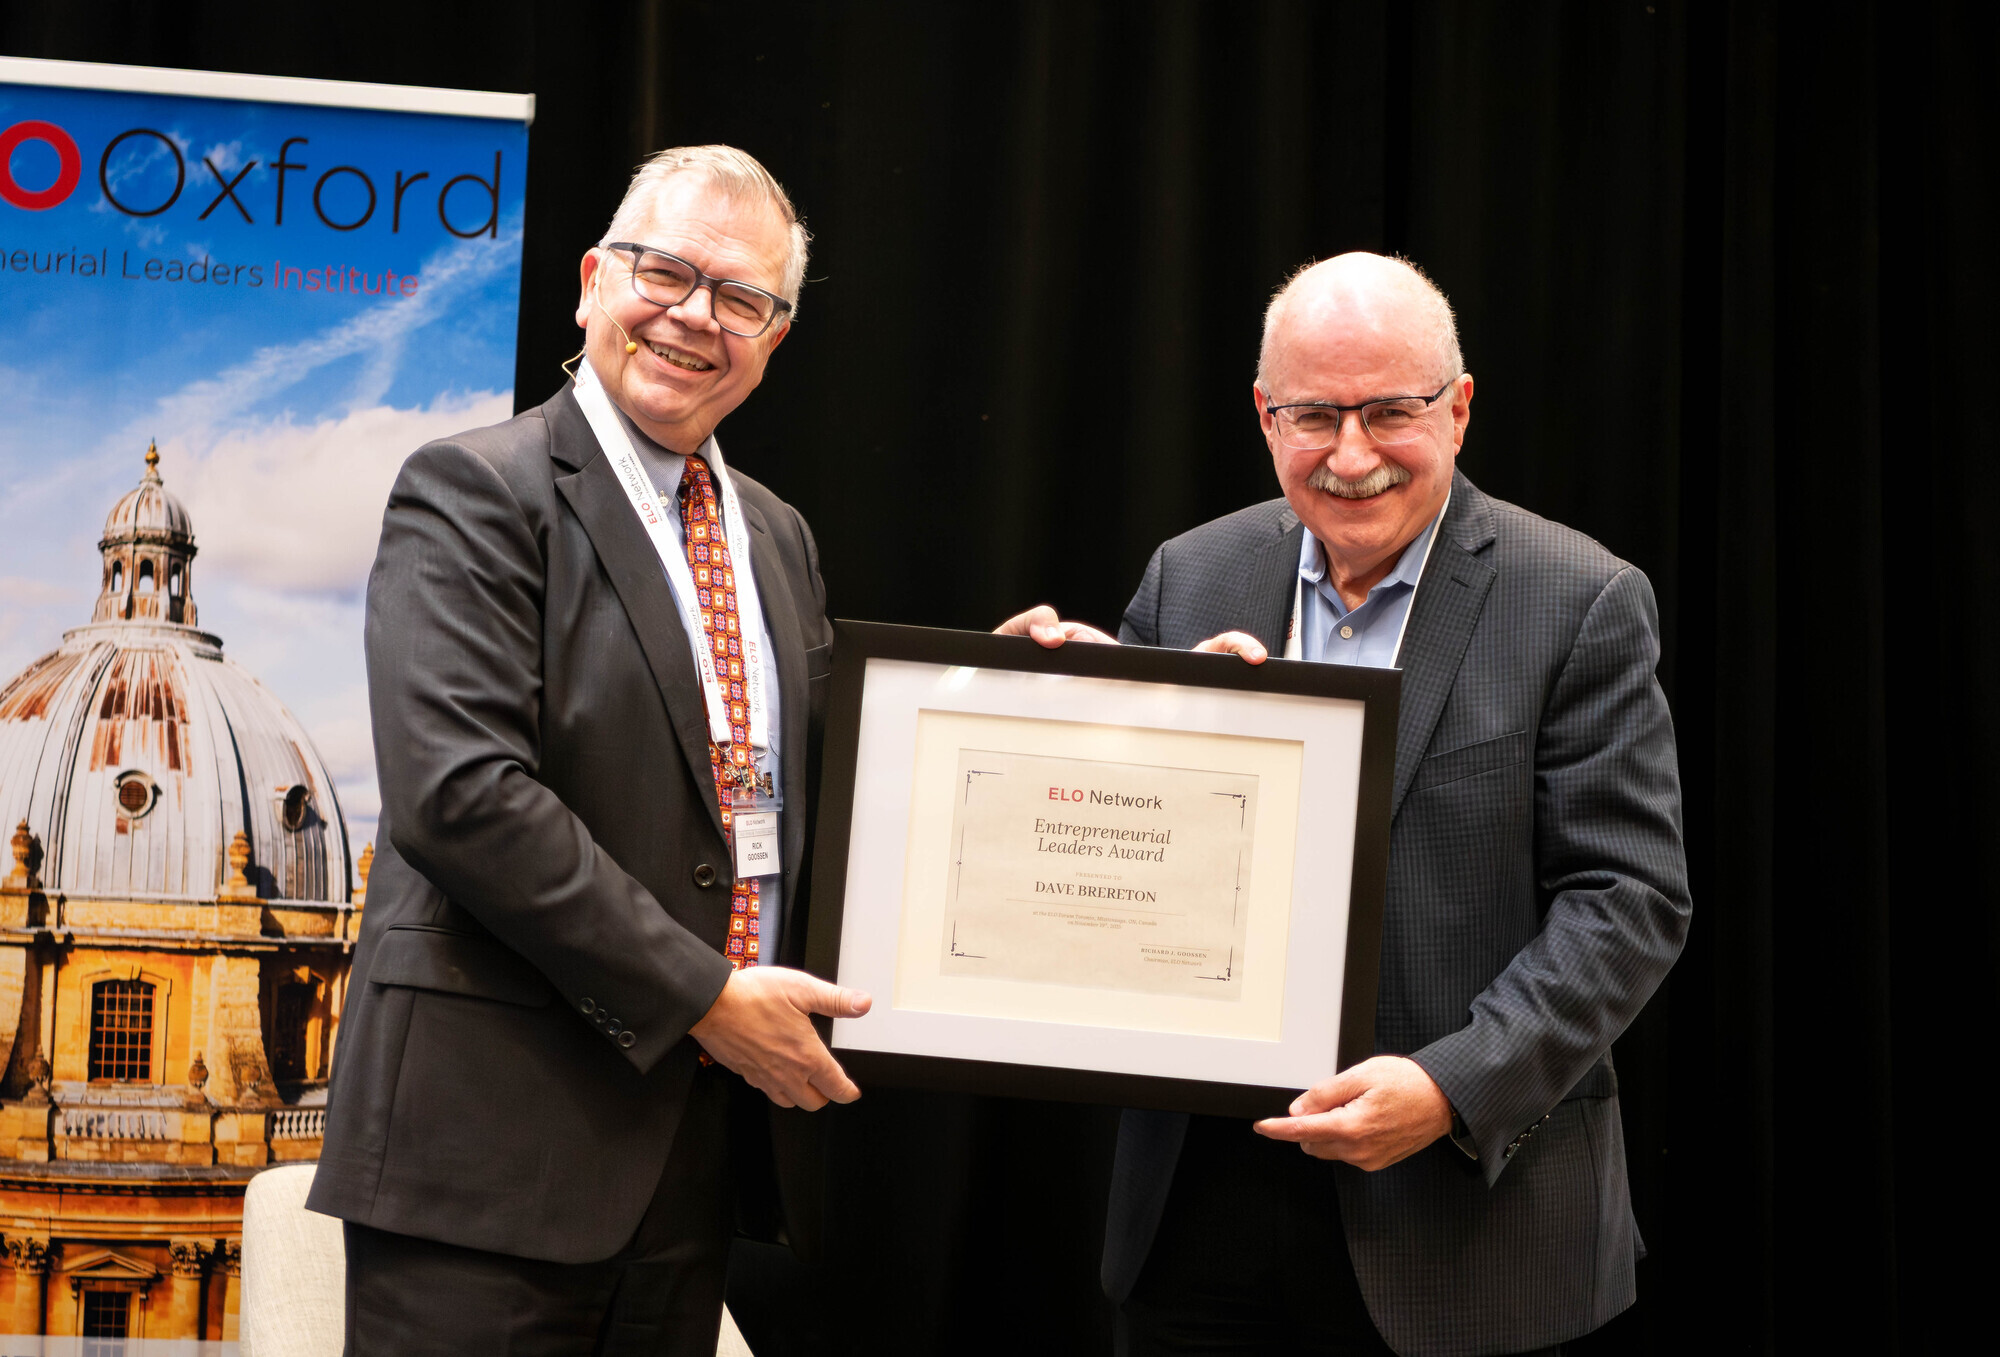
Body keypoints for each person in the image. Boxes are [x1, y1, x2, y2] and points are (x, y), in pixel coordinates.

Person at [1002, 252, 1690, 1356]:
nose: (1350, 453)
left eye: (1389, 411)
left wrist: (1449, 1086)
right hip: (1200, 1218)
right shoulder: (1190, 576)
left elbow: (1629, 900)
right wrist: (1038, 721)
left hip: (1465, 1223)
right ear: (1265, 416)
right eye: (1313, 414)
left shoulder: (1577, 598)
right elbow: (1120, 858)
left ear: (1457, 410)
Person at [309, 145, 871, 1353]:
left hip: (693, 1152)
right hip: (488, 1157)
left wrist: (1014, 685)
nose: (692, 317)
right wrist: (706, 995)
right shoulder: (472, 490)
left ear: (775, 337)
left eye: (741, 298)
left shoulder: (775, 534)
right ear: (589, 281)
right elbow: (461, 797)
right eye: (663, 272)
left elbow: (830, 776)